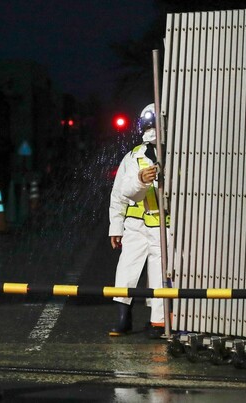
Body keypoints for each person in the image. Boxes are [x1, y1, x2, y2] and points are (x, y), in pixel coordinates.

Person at [108, 103, 168, 339]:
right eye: (147, 125)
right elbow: (120, 194)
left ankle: (158, 322)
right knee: (126, 272)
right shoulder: (133, 156)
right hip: (135, 226)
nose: (150, 129)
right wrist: (116, 227)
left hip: (163, 227)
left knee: (159, 274)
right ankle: (123, 318)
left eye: (154, 125)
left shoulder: (176, 154)